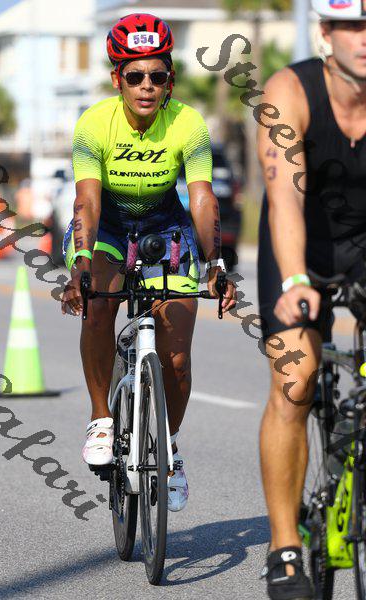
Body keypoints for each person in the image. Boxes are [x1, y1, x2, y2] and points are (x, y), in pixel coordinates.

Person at [60, 13, 236, 513]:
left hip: (166, 229)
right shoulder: (94, 123)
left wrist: (215, 263)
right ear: (117, 78)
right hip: (109, 228)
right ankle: (101, 418)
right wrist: (80, 264)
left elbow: (201, 197)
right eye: (134, 75)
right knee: (99, 306)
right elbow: (87, 201)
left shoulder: (188, 123)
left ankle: (169, 447)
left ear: (170, 80)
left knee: (176, 358)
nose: (146, 86)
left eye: (157, 76)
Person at [257, 1, 366, 597]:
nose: (365, 38)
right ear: (325, 32)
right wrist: (296, 280)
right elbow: (284, 198)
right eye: (353, 25)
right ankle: (285, 547)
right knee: (294, 381)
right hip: (301, 246)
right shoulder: (288, 92)